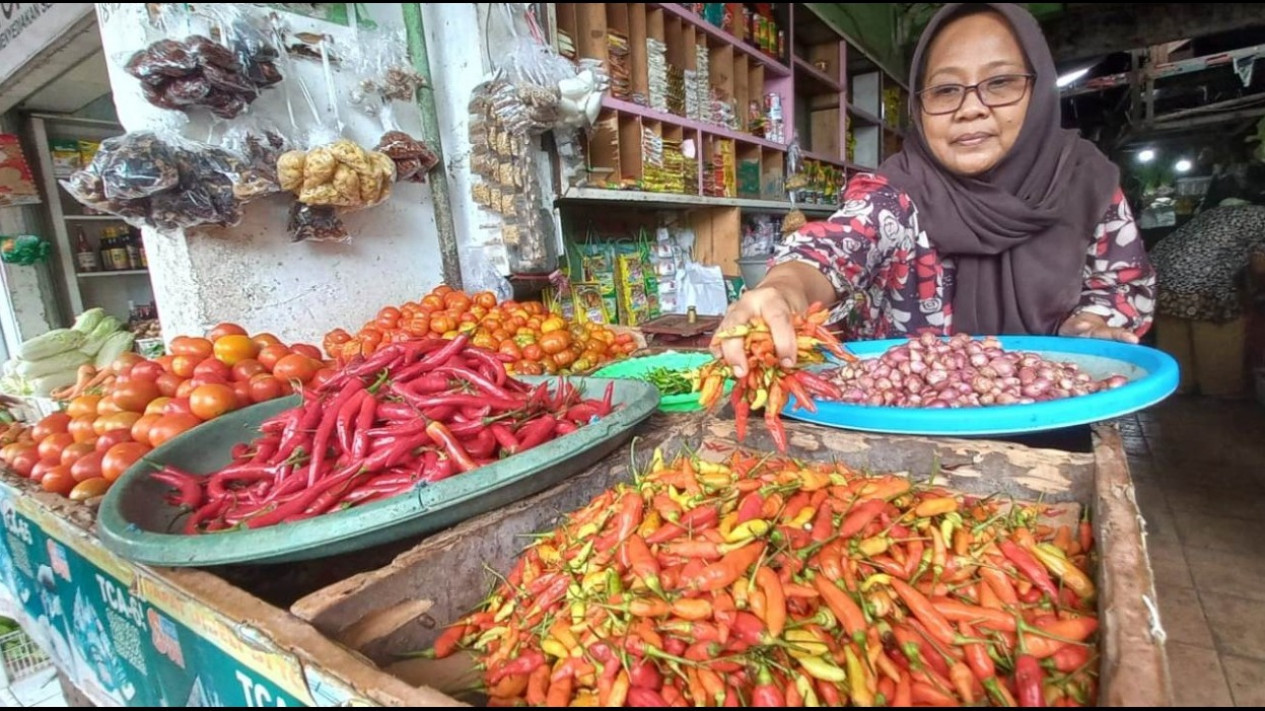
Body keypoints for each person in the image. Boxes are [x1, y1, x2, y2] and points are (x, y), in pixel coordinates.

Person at [715, 3, 1156, 377]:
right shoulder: (897, 194)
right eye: (946, 91)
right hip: (906, 442)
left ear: (1038, 89)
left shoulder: (1085, 183)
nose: (970, 109)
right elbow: (836, 246)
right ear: (919, 106)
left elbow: (1117, 287)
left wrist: (1090, 323)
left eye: (999, 83)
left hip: (1054, 423)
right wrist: (785, 290)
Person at [1151, 200, 1265, 396]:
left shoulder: (1221, 212)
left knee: (1175, 333)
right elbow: (1260, 265)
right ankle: (1218, 389)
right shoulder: (1261, 219)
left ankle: (1180, 385)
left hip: (1160, 278)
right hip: (1205, 282)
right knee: (1222, 329)